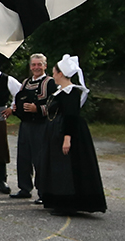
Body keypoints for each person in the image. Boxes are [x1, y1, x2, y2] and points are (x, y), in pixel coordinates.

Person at [39, 55, 106, 215]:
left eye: (54, 72)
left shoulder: (71, 92)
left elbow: (71, 116)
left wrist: (67, 138)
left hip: (66, 132)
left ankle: (67, 203)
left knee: (65, 167)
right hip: (56, 132)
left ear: (60, 74)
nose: (53, 75)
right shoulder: (60, 91)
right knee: (56, 166)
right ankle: (55, 200)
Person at [11, 54, 54, 201]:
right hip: (26, 125)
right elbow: (19, 99)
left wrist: (38, 109)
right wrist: (16, 108)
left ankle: (44, 192)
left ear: (45, 66)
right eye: (34, 65)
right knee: (23, 157)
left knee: (40, 159)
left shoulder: (50, 83)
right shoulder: (26, 82)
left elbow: (55, 105)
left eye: (39, 64)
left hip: (41, 126)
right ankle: (24, 188)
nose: (36, 67)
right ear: (30, 66)